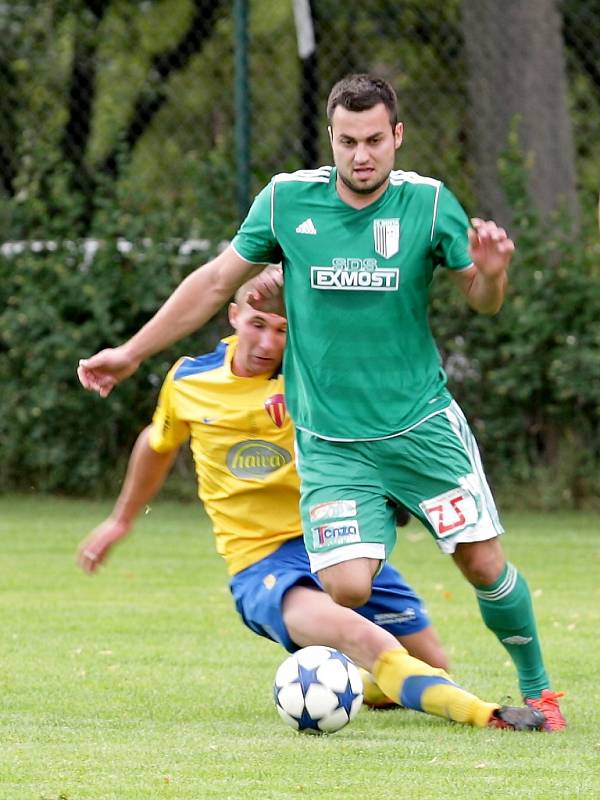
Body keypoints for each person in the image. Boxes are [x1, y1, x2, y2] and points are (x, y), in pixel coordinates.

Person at [77, 74, 563, 729]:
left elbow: (482, 297)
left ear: (396, 137)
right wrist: (131, 353)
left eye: (373, 141)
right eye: (347, 141)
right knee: (346, 587)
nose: (361, 155)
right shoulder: (286, 203)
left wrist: (493, 273)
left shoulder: (428, 203)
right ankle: (379, 552)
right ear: (331, 140)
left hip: (421, 427)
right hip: (333, 444)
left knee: (481, 564)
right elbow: (215, 281)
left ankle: (539, 690)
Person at [77, 280, 544, 731]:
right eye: (258, 323)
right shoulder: (190, 380)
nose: (267, 341)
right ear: (234, 314)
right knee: (368, 640)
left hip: (334, 535)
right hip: (261, 563)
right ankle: (488, 715)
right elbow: (158, 443)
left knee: (430, 664)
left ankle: (351, 685)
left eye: (282, 329)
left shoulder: (315, 376)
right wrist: (120, 520)